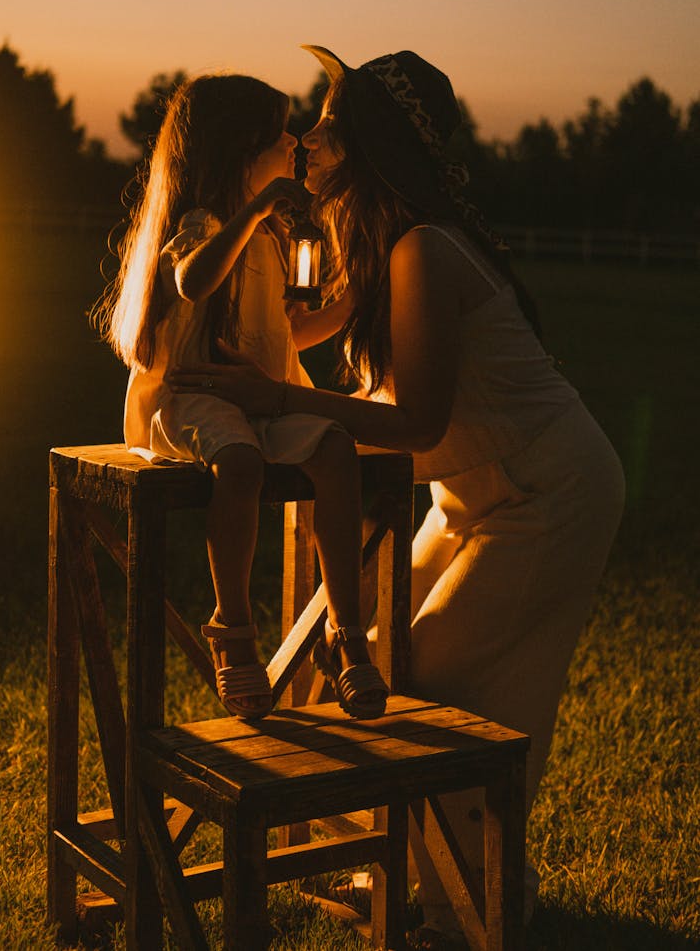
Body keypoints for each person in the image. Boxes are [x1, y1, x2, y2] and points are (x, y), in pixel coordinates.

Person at [168, 47, 625, 944]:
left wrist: (281, 400)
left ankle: (473, 908)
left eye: (331, 123)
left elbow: (414, 421)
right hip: (473, 496)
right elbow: (291, 331)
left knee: (436, 687)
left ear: (370, 144)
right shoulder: (381, 251)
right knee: (376, 661)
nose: (311, 136)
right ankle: (436, 883)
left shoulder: (422, 250)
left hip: (549, 492)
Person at [93, 73, 388, 722]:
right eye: (277, 134)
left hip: (261, 401)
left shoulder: (267, 239)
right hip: (195, 400)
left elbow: (283, 333)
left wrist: (351, 301)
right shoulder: (205, 224)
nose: (294, 142)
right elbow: (195, 281)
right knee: (242, 464)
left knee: (336, 449)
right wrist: (253, 212)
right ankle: (233, 627)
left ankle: (345, 633)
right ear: (238, 152)